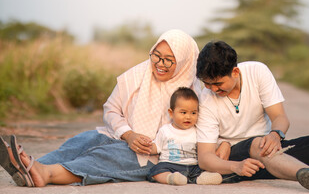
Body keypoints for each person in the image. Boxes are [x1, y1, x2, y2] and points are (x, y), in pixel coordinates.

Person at [0, 29, 202, 187]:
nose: (159, 64)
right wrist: (128, 134)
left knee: (103, 158)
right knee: (83, 140)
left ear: (183, 62)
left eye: (169, 60)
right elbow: (111, 109)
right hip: (123, 137)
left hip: (153, 155)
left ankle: (45, 173)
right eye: (156, 55)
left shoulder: (193, 90)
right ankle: (29, 165)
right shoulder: (137, 75)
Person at [195, 40, 309, 192]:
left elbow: (280, 117)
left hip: (273, 153)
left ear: (235, 72)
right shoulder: (206, 98)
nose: (212, 89)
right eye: (207, 84)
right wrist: (235, 167)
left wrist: (276, 134)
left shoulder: (257, 71)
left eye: (218, 84)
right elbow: (205, 157)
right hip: (241, 160)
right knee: (258, 144)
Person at [147, 87, 222, 185]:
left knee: (204, 169)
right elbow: (157, 147)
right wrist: (147, 146)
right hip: (169, 165)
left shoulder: (197, 131)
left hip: (193, 165)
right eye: (183, 112)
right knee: (156, 170)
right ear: (171, 113)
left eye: (193, 113)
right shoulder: (165, 130)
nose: (188, 117)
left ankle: (201, 179)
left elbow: (208, 146)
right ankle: (171, 178)